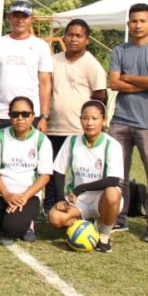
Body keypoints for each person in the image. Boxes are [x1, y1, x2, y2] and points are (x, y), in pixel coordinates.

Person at [108, 2, 148, 241]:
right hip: (120, 121)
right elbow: (113, 83)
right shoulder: (119, 50)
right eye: (134, 21)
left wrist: (128, 78)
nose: (138, 25)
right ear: (128, 24)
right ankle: (118, 218)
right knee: (117, 174)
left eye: (142, 21)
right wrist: (143, 81)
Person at [47, 100, 124, 253]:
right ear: (80, 120)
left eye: (94, 119)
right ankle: (87, 223)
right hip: (78, 201)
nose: (89, 123)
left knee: (112, 193)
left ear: (103, 120)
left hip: (101, 200)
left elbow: (114, 180)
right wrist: (60, 199)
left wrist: (81, 188)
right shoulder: (72, 140)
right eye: (85, 118)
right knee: (55, 218)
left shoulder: (112, 145)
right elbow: (58, 171)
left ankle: (104, 234)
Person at [46, 19, 107, 211]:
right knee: (51, 171)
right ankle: (49, 207)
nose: (73, 39)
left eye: (78, 36)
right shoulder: (54, 60)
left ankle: (79, 207)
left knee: (77, 172)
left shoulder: (92, 64)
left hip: (78, 130)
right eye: (70, 34)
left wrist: (92, 125)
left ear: (87, 40)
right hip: (53, 127)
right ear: (64, 36)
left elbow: (99, 98)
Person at [0, 96, 52, 244]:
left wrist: (24, 197)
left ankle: (28, 224)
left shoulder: (42, 140)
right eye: (15, 114)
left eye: (25, 114)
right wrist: (6, 194)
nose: (20, 118)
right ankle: (6, 218)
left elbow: (45, 176)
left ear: (33, 116)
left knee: (11, 229)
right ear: (9, 116)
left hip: (26, 197)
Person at [0, 0, 53, 135]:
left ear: (31, 19)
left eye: (25, 16)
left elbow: (45, 84)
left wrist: (44, 117)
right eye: (16, 15)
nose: (20, 20)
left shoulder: (40, 46)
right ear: (9, 17)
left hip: (30, 115)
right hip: (0, 113)